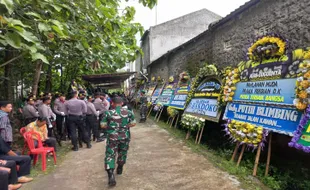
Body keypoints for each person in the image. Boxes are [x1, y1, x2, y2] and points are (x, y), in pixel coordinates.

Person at [100, 96, 136, 186]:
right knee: (123, 153)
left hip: (112, 137)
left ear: (112, 103)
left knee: (110, 155)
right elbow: (133, 123)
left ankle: (111, 176)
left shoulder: (108, 113)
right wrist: (125, 126)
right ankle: (120, 168)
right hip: (125, 137)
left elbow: (103, 125)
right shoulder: (129, 112)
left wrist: (111, 127)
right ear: (122, 103)